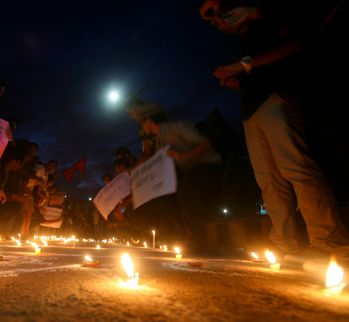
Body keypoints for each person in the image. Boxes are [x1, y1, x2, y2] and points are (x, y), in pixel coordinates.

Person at [200, 0, 349, 254]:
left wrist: (243, 65)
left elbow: (296, 43)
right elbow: (255, 73)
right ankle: (285, 241)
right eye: (214, 23)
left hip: (276, 98)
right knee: (268, 179)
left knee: (295, 166)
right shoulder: (245, 41)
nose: (220, 23)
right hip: (251, 111)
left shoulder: (267, 20)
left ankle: (329, 239)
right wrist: (237, 81)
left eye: (220, 13)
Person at [140, 112, 222, 245]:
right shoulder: (159, 142)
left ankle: (198, 237)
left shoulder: (177, 127)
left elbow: (207, 144)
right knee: (164, 196)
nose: (142, 128)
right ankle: (181, 233)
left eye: (142, 123)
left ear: (149, 121)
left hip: (206, 165)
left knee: (185, 188)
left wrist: (183, 156)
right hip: (184, 173)